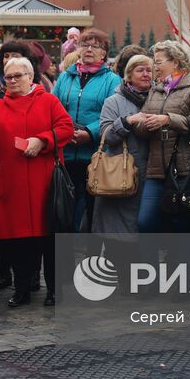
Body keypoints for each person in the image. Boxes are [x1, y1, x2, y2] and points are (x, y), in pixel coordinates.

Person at [0, 56, 73, 308]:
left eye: (17, 76)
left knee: (49, 240)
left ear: (30, 77)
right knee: (19, 243)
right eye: (8, 77)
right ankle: (21, 290)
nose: (11, 81)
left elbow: (66, 128)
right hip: (12, 184)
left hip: (44, 183)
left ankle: (54, 290)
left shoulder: (49, 101)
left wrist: (42, 141)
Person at [52, 28, 121, 232]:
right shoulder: (66, 77)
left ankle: (90, 257)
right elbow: (53, 106)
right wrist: (65, 131)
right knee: (65, 208)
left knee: (92, 210)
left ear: (104, 52)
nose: (89, 49)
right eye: (85, 45)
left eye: (95, 46)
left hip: (95, 155)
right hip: (65, 153)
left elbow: (111, 114)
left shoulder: (112, 80)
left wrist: (90, 133)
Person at [141, 41, 190, 235]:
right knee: (145, 222)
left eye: (158, 62)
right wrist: (138, 122)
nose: (154, 67)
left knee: (184, 227)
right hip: (156, 168)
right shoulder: (155, 90)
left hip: (186, 167)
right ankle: (154, 265)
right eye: (153, 62)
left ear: (175, 62)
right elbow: (143, 123)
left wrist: (167, 120)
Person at [93, 54, 154, 238]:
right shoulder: (114, 101)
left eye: (149, 70)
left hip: (151, 175)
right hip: (120, 175)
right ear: (128, 75)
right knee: (118, 237)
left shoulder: (159, 98)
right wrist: (127, 121)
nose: (146, 74)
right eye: (140, 70)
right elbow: (105, 134)